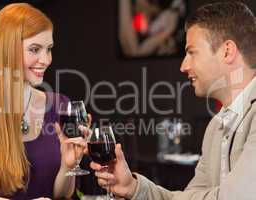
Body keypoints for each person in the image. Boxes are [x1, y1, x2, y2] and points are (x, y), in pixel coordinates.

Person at [91, 1, 256, 200]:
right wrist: (133, 188)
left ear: (227, 51)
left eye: (191, 52)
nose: (183, 66)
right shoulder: (215, 127)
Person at [0, 3, 88, 199]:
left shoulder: (60, 105)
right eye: (35, 49)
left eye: (49, 49)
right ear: (6, 49)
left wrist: (67, 166)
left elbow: (62, 195)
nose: (46, 59)